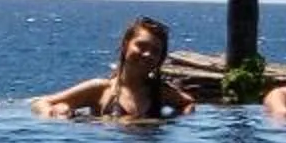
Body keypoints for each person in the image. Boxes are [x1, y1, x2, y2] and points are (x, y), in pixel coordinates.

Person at [33, 16, 193, 121]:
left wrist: (176, 117)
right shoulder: (100, 89)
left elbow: (188, 103)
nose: (147, 54)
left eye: (155, 51)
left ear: (161, 58)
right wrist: (54, 114)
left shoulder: (160, 92)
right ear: (125, 45)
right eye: (141, 46)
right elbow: (42, 102)